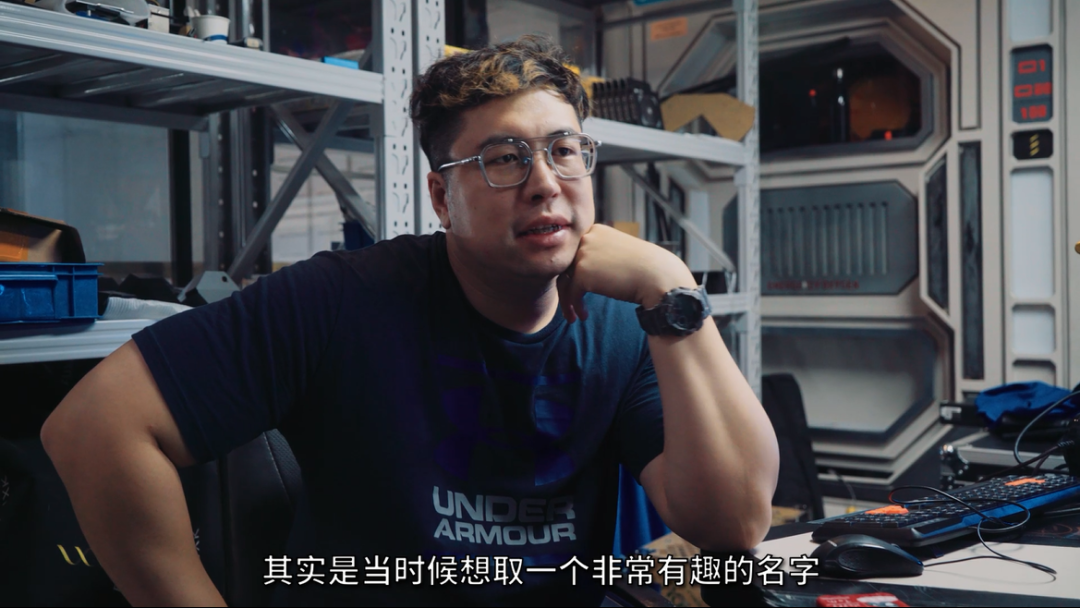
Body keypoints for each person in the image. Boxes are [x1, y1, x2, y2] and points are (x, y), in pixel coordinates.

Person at [40, 35, 779, 606]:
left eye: (564, 151)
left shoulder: (630, 322)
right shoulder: (342, 299)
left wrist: (671, 288)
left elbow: (736, 524)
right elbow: (94, 428)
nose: (545, 183)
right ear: (441, 197)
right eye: (504, 159)